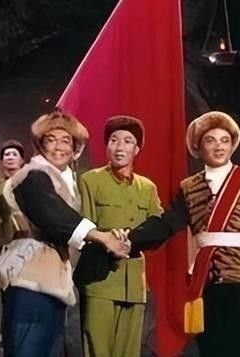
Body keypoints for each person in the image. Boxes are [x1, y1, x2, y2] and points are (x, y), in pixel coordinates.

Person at [127, 111, 240, 357]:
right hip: (204, 281)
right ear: (198, 146)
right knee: (210, 348)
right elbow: (168, 223)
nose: (219, 146)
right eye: (210, 140)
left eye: (225, 140)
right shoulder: (189, 188)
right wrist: (129, 240)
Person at [0, 110, 130, 357]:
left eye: (65, 140)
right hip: (29, 277)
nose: (58, 147)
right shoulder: (32, 175)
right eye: (51, 139)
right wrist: (102, 237)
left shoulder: (67, 181)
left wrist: (115, 243)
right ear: (40, 144)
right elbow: (51, 213)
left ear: (75, 148)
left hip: (52, 279)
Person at [76, 115, 162, 357]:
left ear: (137, 149)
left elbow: (157, 228)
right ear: (106, 146)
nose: (119, 147)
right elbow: (83, 228)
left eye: (127, 141)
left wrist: (135, 239)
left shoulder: (147, 188)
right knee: (98, 350)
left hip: (133, 283)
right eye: (113, 140)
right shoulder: (90, 180)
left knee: (129, 352)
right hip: (99, 280)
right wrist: (107, 240)